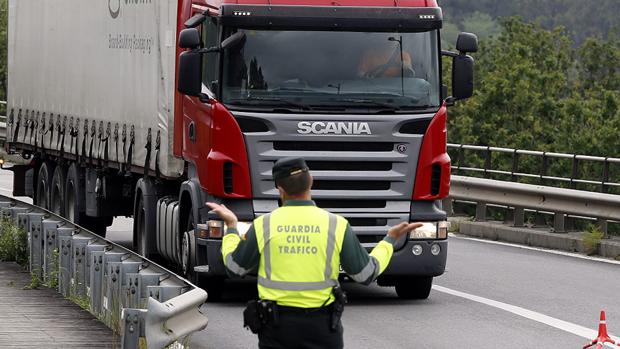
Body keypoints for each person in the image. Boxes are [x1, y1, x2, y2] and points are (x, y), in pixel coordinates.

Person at [206, 157, 422, 349]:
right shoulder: (336, 224)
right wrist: (389, 240)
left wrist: (232, 228)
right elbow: (365, 274)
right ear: (312, 181)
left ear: (280, 189)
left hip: (277, 329)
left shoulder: (264, 225)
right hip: (322, 327)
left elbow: (234, 269)